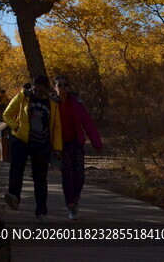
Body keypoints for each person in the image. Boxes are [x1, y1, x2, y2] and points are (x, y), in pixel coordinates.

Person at [3, 75, 62, 220]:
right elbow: (7, 115)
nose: (38, 91)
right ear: (32, 86)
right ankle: (14, 197)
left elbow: (56, 127)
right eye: (36, 88)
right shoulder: (23, 97)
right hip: (22, 140)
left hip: (42, 144)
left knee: (40, 178)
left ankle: (41, 211)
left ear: (46, 89)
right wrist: (16, 128)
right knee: (16, 170)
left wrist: (57, 147)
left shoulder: (52, 103)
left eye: (41, 89)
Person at [54, 75, 103, 220]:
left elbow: (88, 123)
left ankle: (76, 197)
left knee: (80, 173)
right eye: (59, 85)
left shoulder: (76, 103)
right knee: (67, 174)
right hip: (61, 144)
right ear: (54, 87)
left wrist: (97, 143)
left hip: (76, 142)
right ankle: (70, 204)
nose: (62, 87)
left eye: (65, 85)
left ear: (69, 87)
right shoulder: (51, 104)